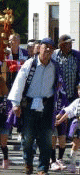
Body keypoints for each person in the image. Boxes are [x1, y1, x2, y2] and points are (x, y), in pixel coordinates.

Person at [8, 38, 66, 175]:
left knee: (46, 138)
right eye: (45, 47)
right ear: (39, 47)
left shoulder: (55, 66)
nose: (47, 50)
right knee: (28, 137)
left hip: (47, 105)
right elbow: (19, 83)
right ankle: (28, 162)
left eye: (51, 48)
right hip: (29, 105)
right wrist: (15, 104)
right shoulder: (30, 64)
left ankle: (42, 168)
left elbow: (60, 86)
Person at [52, 34, 80, 170]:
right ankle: (55, 158)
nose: (70, 45)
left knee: (73, 121)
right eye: (68, 43)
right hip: (58, 95)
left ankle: (70, 150)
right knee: (58, 125)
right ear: (61, 45)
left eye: (71, 43)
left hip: (73, 95)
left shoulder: (77, 55)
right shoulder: (55, 56)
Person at [56, 83, 80, 173]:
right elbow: (68, 111)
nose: (79, 92)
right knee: (75, 143)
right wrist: (59, 121)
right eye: (78, 90)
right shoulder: (77, 101)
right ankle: (72, 163)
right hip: (78, 124)